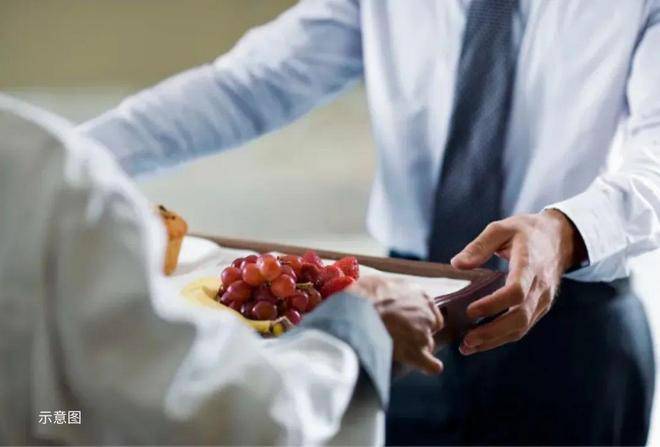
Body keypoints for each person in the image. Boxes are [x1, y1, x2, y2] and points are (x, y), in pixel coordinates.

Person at [78, 0, 659, 444]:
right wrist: (64, 163)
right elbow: (249, 85)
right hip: (401, 323)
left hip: (573, 338)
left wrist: (567, 230)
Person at [0, 94, 445, 445]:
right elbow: (217, 419)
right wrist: (351, 331)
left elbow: (57, 415)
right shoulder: (52, 181)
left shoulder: (44, 173)